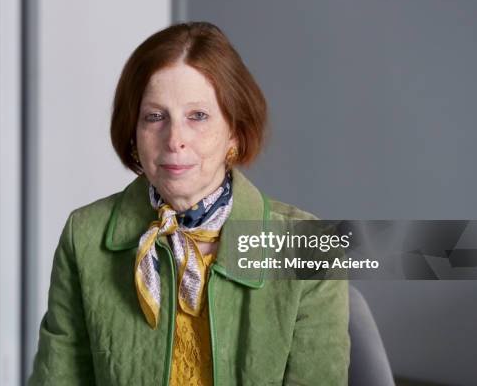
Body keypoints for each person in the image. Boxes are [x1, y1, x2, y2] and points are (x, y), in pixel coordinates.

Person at [27, 21, 349, 386]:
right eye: (154, 117)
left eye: (198, 116)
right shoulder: (84, 236)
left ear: (235, 133)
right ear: (134, 134)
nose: (174, 139)